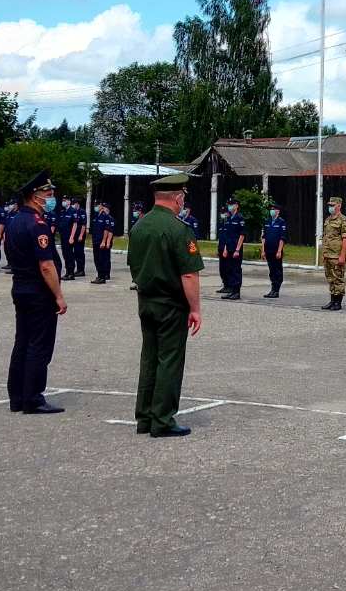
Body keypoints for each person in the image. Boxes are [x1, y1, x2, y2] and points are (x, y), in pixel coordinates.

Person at [129, 172, 204, 438]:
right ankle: (162, 419)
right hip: (171, 304)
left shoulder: (139, 227)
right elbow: (188, 275)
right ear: (177, 197)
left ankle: (145, 416)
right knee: (169, 360)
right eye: (182, 196)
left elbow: (133, 266)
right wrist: (195, 308)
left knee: (149, 358)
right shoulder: (178, 229)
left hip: (146, 300)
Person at [3, 170, 67, 414]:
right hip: (39, 292)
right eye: (47, 194)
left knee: (22, 342)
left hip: (20, 288)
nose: (51, 198)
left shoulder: (15, 220)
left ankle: (17, 396)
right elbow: (46, 265)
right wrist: (59, 295)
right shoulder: (37, 225)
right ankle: (33, 398)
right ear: (34, 196)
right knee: (38, 345)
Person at [320, 196, 346, 309]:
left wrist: (342, 256)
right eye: (329, 205)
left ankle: (338, 302)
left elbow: (345, 239)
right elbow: (326, 237)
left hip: (337, 255)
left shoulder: (343, 220)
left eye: (332, 205)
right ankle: (332, 300)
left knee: (338, 278)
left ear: (339, 206)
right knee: (330, 278)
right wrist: (324, 253)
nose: (330, 207)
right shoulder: (328, 220)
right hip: (328, 254)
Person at [218, 197, 245, 299]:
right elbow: (227, 236)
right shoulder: (229, 218)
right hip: (228, 248)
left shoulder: (240, 218)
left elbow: (242, 235)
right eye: (229, 204)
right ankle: (231, 290)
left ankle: (236, 292)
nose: (230, 206)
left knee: (236, 270)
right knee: (230, 269)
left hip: (236, 249)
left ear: (236, 206)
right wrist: (225, 249)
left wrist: (237, 250)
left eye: (231, 204)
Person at [263, 202, 287, 297]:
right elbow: (264, 237)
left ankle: (276, 290)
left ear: (278, 211)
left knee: (277, 270)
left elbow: (282, 238)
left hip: (276, 250)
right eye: (271, 209)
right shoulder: (267, 221)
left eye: (274, 209)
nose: (271, 211)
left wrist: (279, 251)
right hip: (268, 249)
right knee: (271, 270)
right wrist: (263, 250)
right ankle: (272, 289)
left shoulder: (281, 222)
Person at [91, 200, 115, 283]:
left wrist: (104, 241)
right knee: (96, 259)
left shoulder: (106, 216)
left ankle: (102, 276)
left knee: (102, 259)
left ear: (101, 206)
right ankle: (99, 275)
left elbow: (107, 230)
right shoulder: (96, 216)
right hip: (95, 241)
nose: (96, 206)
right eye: (95, 205)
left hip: (101, 242)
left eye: (97, 205)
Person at [67, 197, 88, 278]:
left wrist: (81, 235)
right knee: (75, 253)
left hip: (80, 235)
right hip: (74, 235)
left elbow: (83, 224)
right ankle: (78, 269)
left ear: (77, 204)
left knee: (79, 252)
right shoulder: (73, 212)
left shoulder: (82, 212)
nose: (72, 205)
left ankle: (81, 270)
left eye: (73, 203)